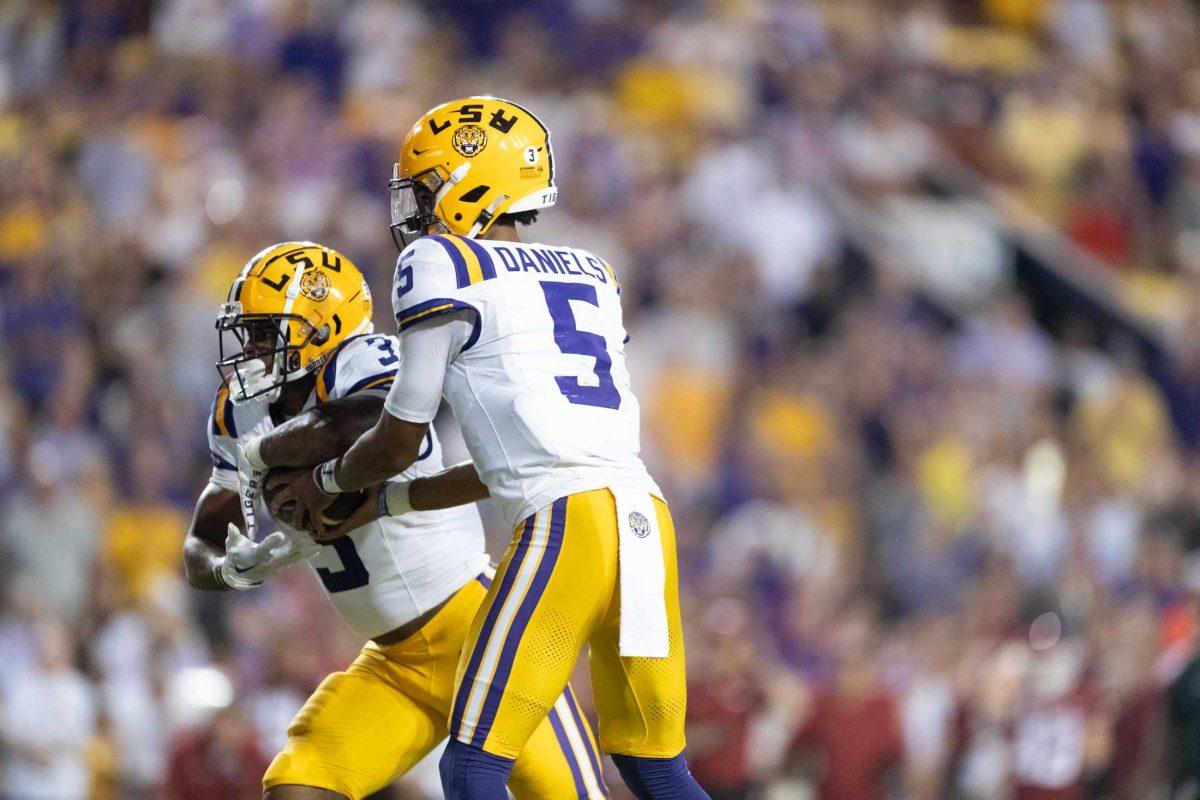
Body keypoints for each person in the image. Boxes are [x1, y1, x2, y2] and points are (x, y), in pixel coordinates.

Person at [275, 97, 709, 799]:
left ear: (467, 184)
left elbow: (398, 436)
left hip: (567, 523)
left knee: (472, 766)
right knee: (656, 769)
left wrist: (329, 481)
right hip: (644, 519)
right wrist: (391, 496)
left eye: (424, 188)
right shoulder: (592, 269)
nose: (414, 209)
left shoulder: (438, 262)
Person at [183, 241, 607, 800]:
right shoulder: (239, 408)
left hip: (478, 636)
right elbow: (199, 544)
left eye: (267, 332)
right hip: (390, 662)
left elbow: (365, 425)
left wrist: (264, 453)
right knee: (298, 787)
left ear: (320, 326)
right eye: (250, 333)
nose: (252, 349)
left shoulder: (365, 361)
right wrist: (229, 570)